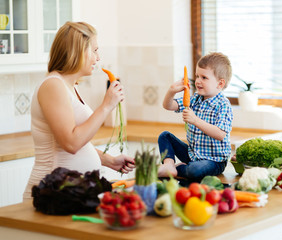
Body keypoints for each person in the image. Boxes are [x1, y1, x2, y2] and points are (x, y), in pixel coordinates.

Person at [23, 21, 135, 199]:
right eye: (95, 50)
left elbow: (74, 143)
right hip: (52, 194)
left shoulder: (69, 86)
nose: (98, 58)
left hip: (72, 192)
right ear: (78, 51)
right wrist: (106, 105)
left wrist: (109, 161)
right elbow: (71, 143)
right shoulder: (53, 85)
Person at [158, 52, 233, 181]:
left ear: (220, 84)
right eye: (197, 76)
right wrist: (171, 91)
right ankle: (169, 166)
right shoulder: (194, 99)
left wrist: (195, 120)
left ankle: (179, 169)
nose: (198, 81)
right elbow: (168, 106)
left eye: (204, 77)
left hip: (214, 161)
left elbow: (220, 134)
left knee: (194, 170)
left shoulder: (223, 105)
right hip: (192, 154)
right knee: (164, 136)